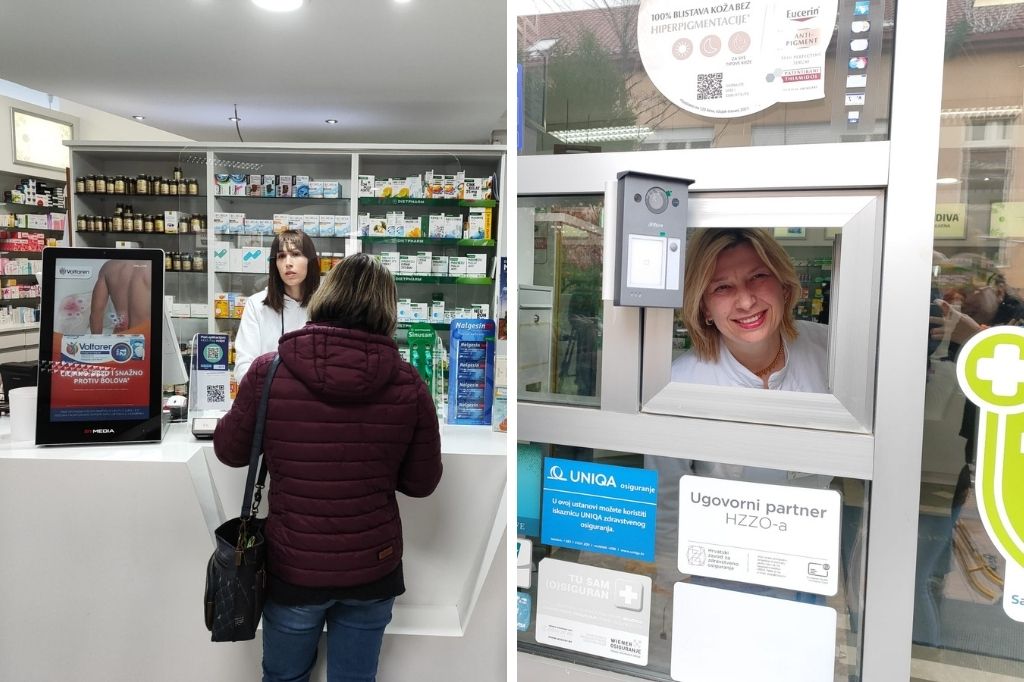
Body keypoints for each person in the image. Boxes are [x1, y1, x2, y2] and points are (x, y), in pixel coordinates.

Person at [213, 252, 442, 682]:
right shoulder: (409, 384)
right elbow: (421, 482)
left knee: (283, 678)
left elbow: (229, 450)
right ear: (387, 309)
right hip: (373, 567)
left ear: (325, 296)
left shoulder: (269, 372)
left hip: (292, 568)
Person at [670, 227, 828, 392]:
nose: (746, 303)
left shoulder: (832, 350)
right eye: (722, 287)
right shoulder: (679, 383)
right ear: (705, 308)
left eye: (758, 276)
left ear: (784, 286)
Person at [233, 229, 321, 382]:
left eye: (296, 254)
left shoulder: (326, 305)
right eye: (281, 256)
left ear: (310, 260)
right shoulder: (257, 305)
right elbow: (244, 367)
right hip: (268, 394)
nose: (288, 263)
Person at [89, 259, 152, 334]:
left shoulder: (108, 266)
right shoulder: (152, 265)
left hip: (120, 336)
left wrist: (96, 340)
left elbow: (96, 315)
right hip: (144, 336)